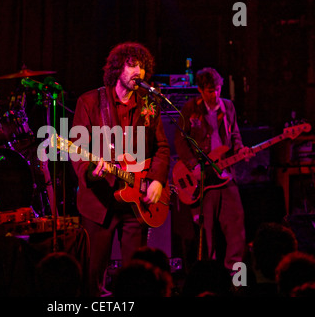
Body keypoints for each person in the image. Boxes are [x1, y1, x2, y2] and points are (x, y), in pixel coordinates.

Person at [70, 41, 170, 296]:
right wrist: (91, 172)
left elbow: (162, 148)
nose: (139, 72)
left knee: (138, 278)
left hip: (135, 205)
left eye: (143, 67)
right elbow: (75, 149)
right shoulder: (90, 102)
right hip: (99, 203)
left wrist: (157, 180)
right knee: (91, 277)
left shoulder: (149, 104)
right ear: (118, 68)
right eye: (132, 65)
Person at [174, 67, 254, 272]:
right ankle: (207, 276)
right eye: (210, 90)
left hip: (226, 174)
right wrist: (192, 166)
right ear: (200, 90)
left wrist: (241, 149)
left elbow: (234, 134)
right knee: (205, 232)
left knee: (236, 226)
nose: (215, 94)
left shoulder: (228, 107)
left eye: (218, 89)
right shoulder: (190, 109)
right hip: (203, 177)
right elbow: (180, 142)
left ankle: (236, 276)